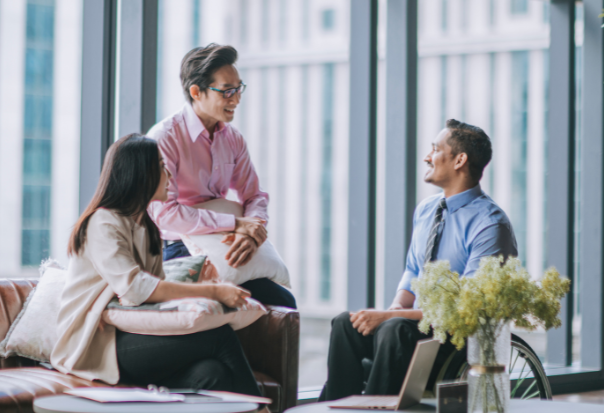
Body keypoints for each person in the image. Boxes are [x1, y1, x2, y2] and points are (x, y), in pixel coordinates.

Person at [51, 133, 264, 398]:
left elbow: (155, 297)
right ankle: (262, 409)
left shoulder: (147, 227)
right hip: (94, 342)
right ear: (141, 174)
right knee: (218, 337)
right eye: (163, 167)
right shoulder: (103, 222)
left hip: (128, 334)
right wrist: (213, 291)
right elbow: (138, 289)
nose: (170, 176)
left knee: (212, 372)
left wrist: (205, 280)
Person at [318, 119, 518, 401]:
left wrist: (391, 316)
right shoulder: (426, 210)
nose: (427, 156)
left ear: (460, 160)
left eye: (436, 149)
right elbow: (414, 271)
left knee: (394, 327)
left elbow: (466, 311)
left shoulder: (489, 224)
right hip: (415, 329)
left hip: (457, 340)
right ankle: (337, 407)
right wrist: (396, 307)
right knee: (345, 324)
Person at [147, 44, 296, 308]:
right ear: (196, 92)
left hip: (222, 242)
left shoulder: (233, 138)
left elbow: (254, 196)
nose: (236, 99)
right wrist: (235, 224)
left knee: (283, 303)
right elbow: (164, 213)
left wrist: (252, 232)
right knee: (219, 309)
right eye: (227, 91)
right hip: (176, 247)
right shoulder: (164, 138)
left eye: (239, 89)